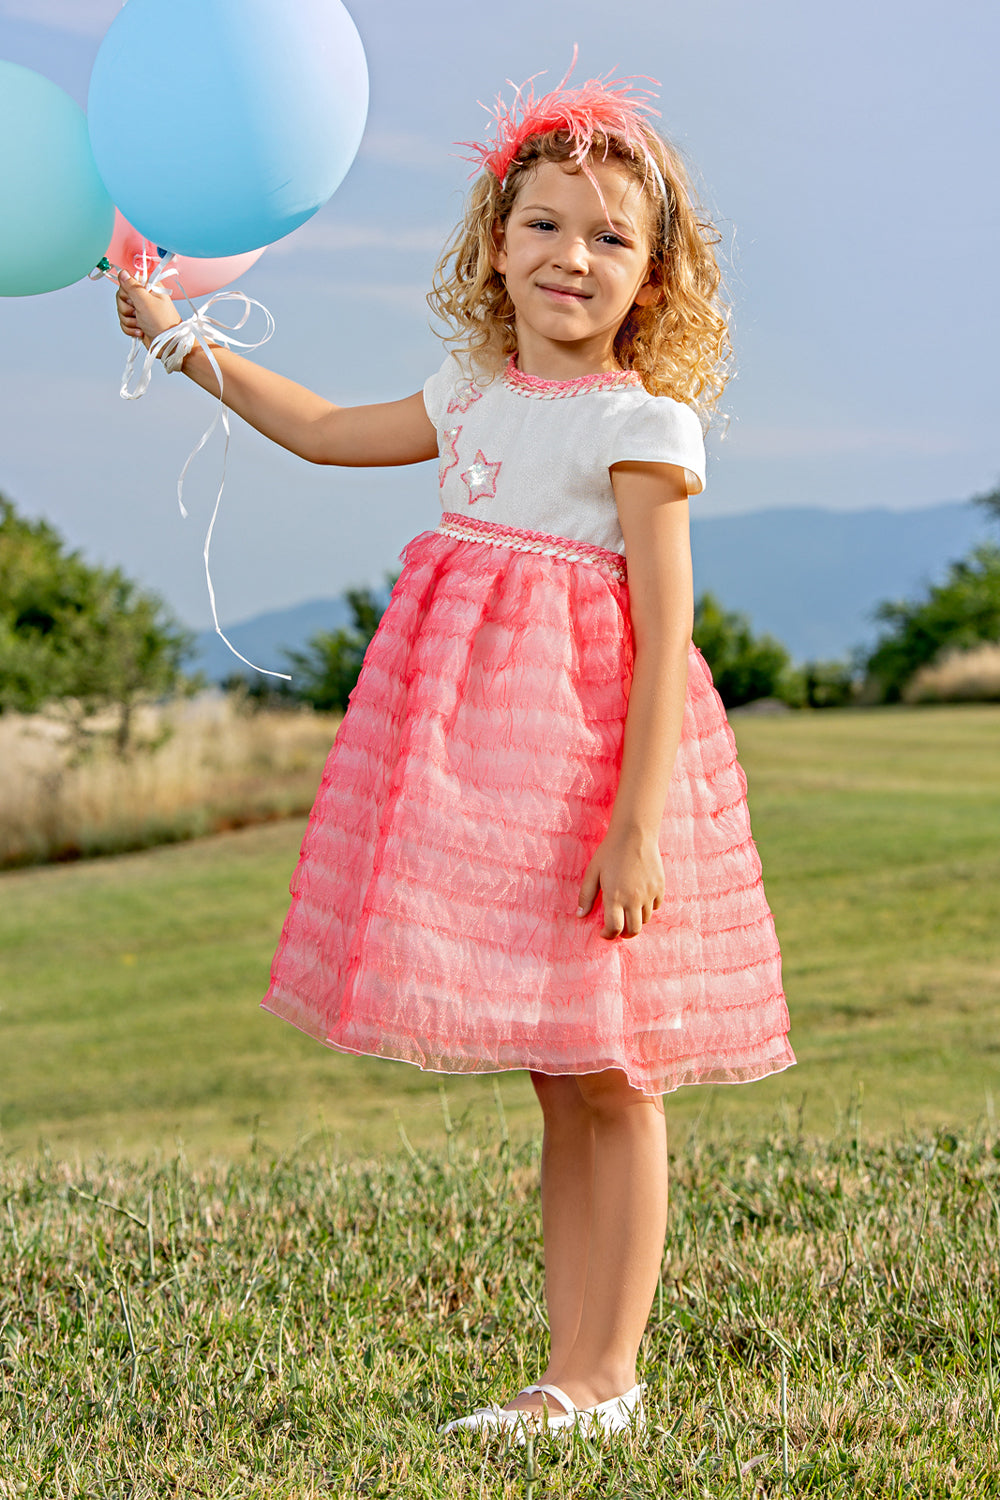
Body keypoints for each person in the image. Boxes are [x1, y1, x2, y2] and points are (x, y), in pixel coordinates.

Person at [116, 65, 794, 1440]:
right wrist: (181, 338)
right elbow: (315, 432)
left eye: (611, 237)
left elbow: (666, 636)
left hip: (596, 771)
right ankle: (575, 1374)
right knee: (562, 1074)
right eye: (546, 225)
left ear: (655, 277)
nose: (572, 258)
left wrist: (637, 823)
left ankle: (612, 1373)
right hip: (497, 784)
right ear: (496, 242)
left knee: (615, 1070)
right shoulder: (469, 397)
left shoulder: (641, 427)